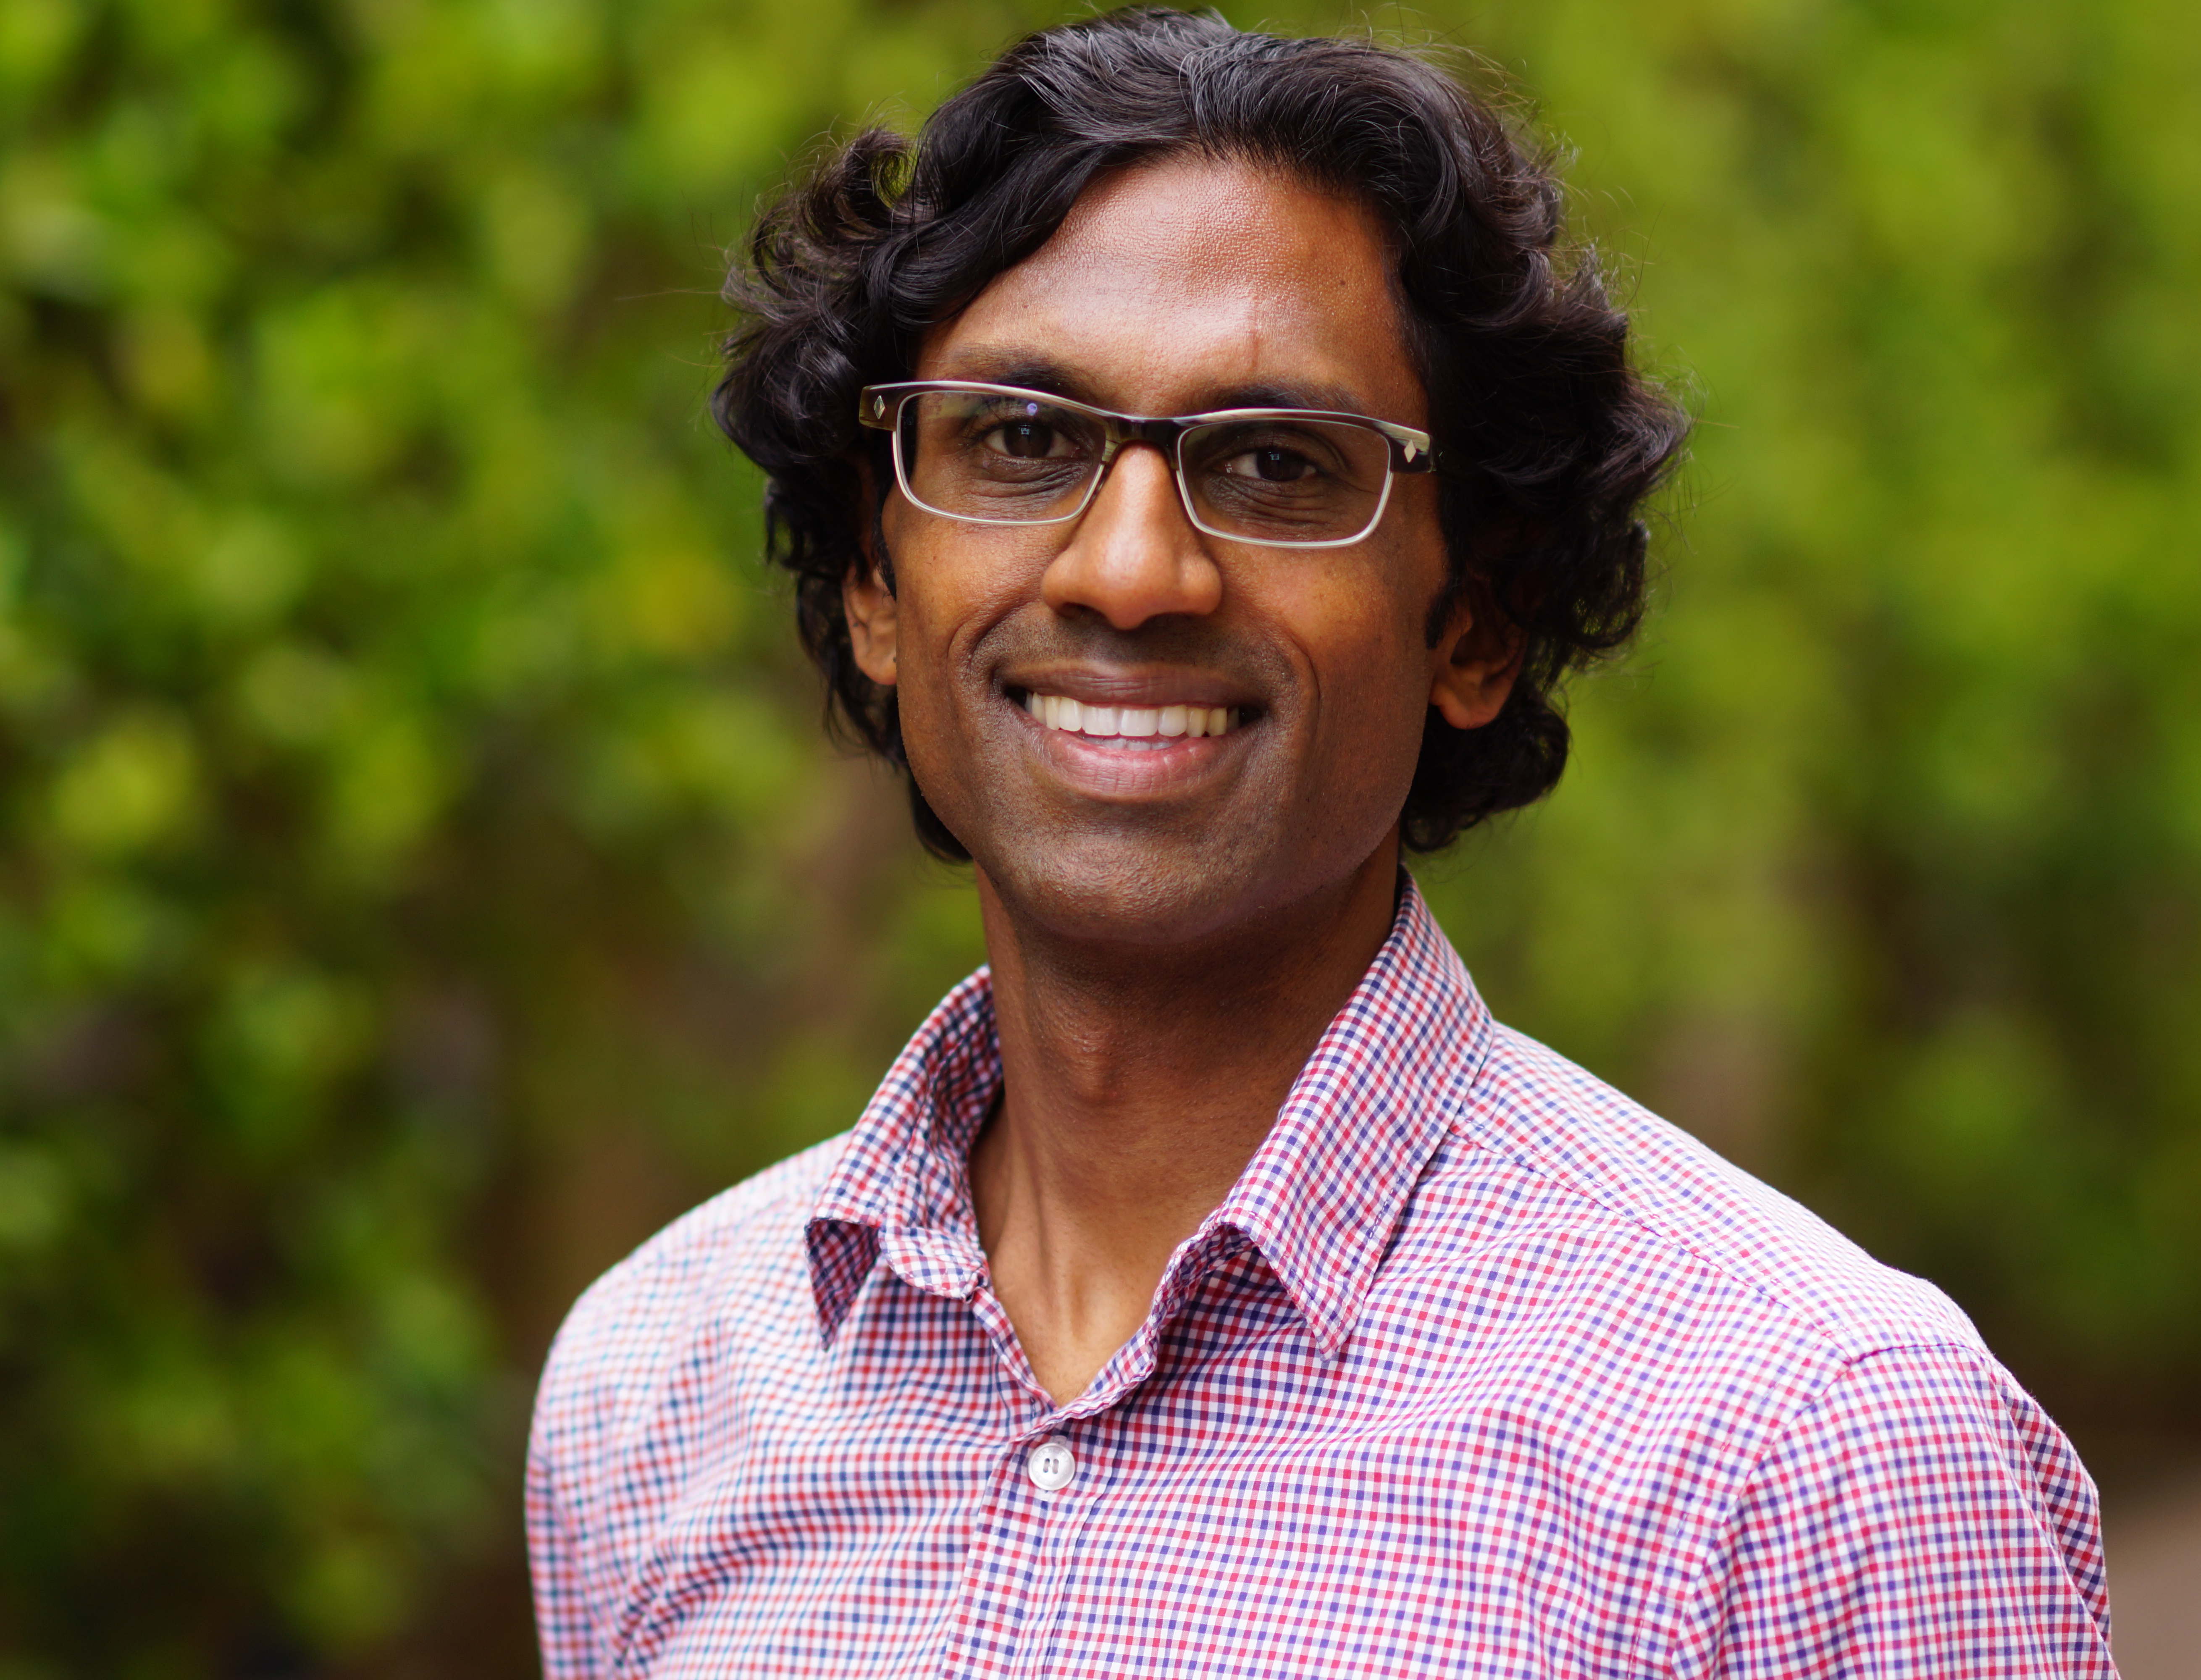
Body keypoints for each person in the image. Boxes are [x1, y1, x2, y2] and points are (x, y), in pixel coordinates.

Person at [525, 10, 2117, 1675]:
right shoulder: (657, 1389)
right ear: (874, 583)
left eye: (1279, 463)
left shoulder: (1805, 1451)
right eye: (1023, 438)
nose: (1129, 572)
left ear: (1477, 623)